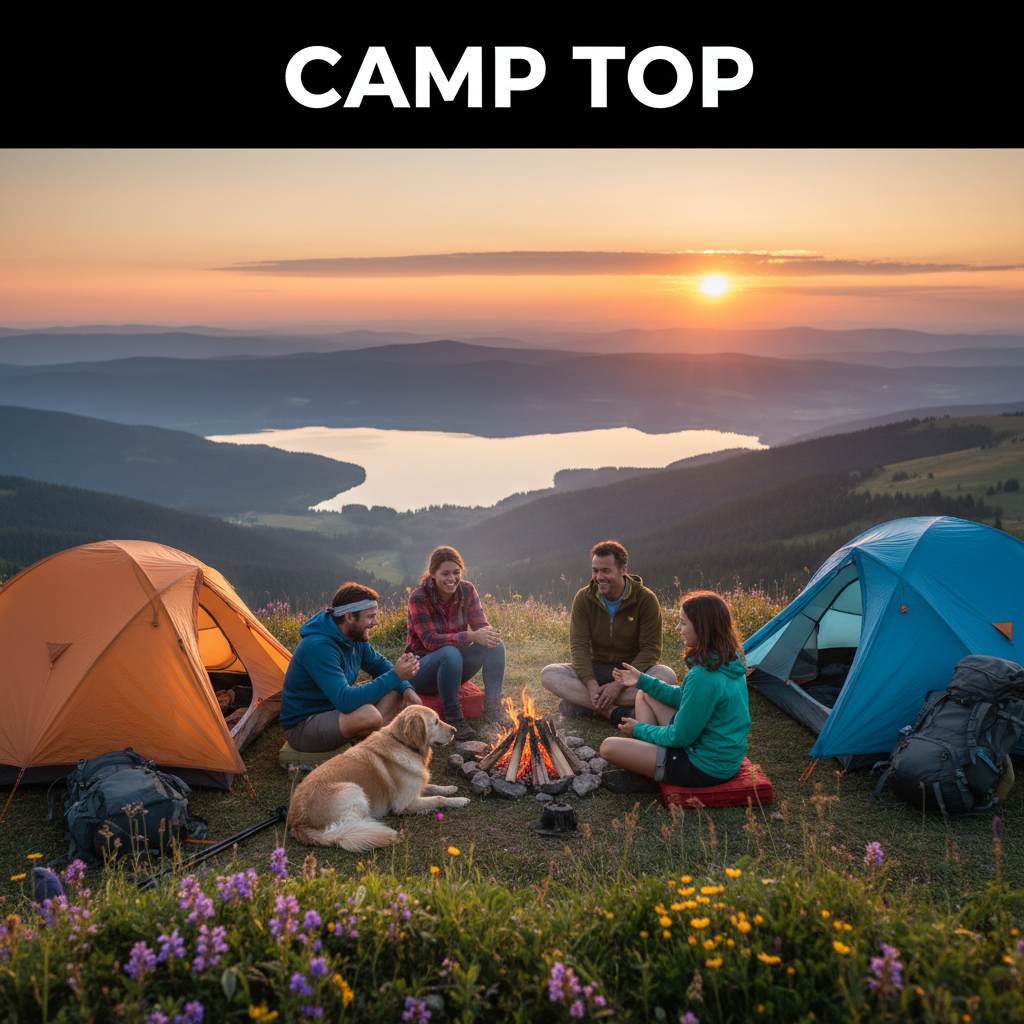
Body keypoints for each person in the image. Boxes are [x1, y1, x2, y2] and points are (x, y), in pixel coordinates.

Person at [599, 590, 750, 792]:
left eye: (683, 623)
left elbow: (680, 737)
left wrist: (638, 729)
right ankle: (649, 758)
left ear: (702, 628)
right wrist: (641, 680)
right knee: (645, 693)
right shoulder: (728, 659)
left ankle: (649, 771)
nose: (678, 628)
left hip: (704, 766)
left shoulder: (704, 675)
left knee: (608, 747)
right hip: (720, 753)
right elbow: (683, 698)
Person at [540, 540, 676, 724]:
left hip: (631, 670)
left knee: (667, 676)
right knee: (549, 674)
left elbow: (650, 650)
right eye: (595, 570)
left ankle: (586, 705)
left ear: (623, 570)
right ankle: (616, 711)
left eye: (606, 571)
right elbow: (579, 647)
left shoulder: (645, 599)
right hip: (596, 670)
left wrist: (618, 685)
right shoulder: (584, 598)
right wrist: (591, 684)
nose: (599, 577)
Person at [280, 583, 423, 752]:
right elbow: (345, 700)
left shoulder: (354, 636)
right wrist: (396, 676)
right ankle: (372, 738)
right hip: (303, 726)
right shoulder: (318, 647)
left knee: (395, 688)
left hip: (334, 710)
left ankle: (373, 737)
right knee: (370, 715)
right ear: (349, 617)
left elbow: (378, 664)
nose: (375, 622)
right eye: (370, 616)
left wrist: (406, 689)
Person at [405, 545, 508, 741]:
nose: (452, 579)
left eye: (456, 572)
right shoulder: (419, 597)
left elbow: (481, 626)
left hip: (452, 669)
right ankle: (455, 718)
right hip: (421, 670)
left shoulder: (467, 590)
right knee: (450, 652)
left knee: (495, 645)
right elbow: (430, 641)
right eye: (445, 574)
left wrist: (489, 634)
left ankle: (493, 708)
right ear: (433, 573)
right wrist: (471, 636)